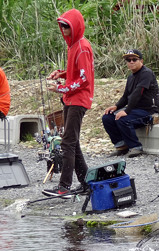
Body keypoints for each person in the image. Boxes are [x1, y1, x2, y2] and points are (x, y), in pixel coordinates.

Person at [42, 9, 94, 198]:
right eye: (62, 25)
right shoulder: (73, 46)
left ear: (75, 27)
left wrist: (61, 88)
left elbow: (84, 79)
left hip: (78, 100)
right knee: (73, 142)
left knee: (68, 143)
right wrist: (61, 73)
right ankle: (87, 183)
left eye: (67, 26)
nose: (63, 29)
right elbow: (77, 72)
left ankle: (64, 187)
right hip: (71, 98)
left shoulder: (81, 47)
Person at [102, 49, 159, 158]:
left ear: (141, 61)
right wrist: (116, 106)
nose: (131, 62)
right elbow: (126, 96)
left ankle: (135, 147)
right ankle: (121, 146)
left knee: (123, 119)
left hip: (148, 111)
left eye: (134, 59)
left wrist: (126, 110)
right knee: (107, 117)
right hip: (134, 110)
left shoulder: (146, 73)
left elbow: (137, 93)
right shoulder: (131, 77)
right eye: (128, 60)